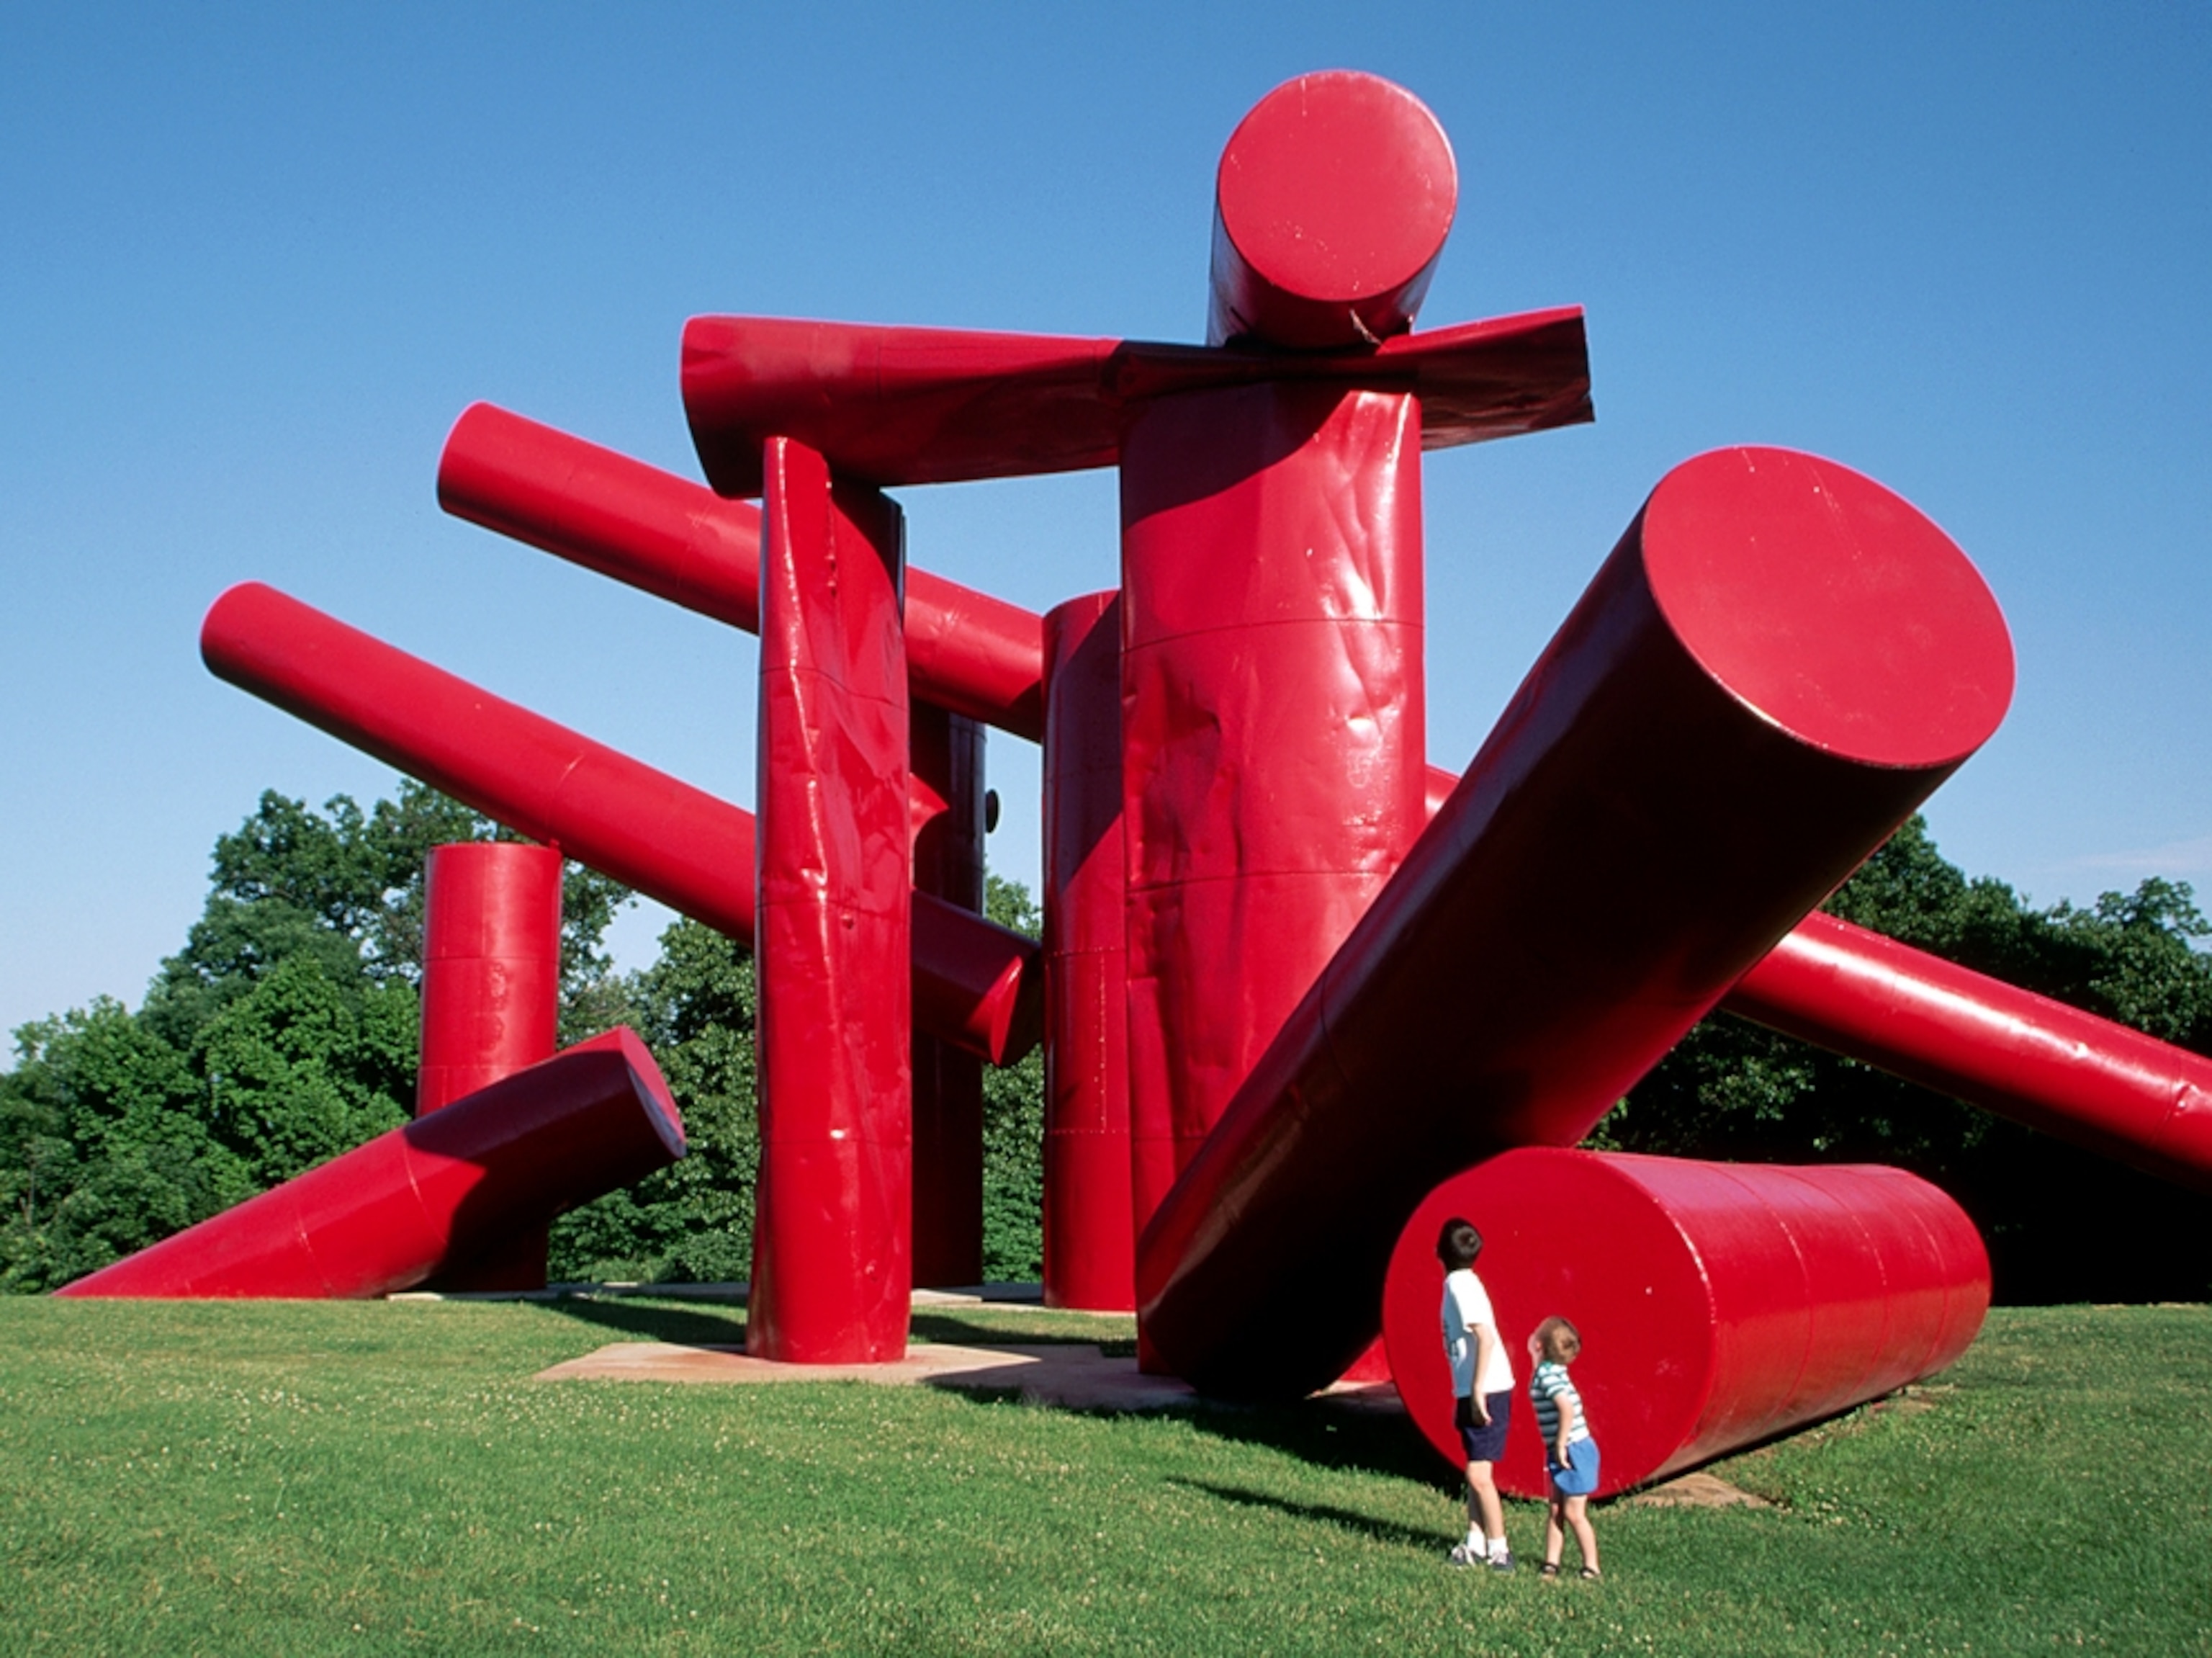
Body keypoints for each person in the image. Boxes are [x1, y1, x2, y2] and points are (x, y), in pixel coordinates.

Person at [1437, 1216, 1514, 1570]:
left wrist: (1479, 1390)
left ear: (1439, 1251)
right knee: (1474, 1468)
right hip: (1475, 1387)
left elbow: (1485, 1336)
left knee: (1479, 1476)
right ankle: (1475, 1541)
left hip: (1488, 1387)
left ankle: (1501, 1549)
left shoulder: (1460, 1286)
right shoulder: (1461, 1282)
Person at [1527, 1315, 1602, 1581]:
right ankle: (1551, 1562)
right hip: (1564, 1449)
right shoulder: (1550, 1370)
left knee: (1573, 1512)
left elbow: (1566, 1408)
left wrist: (1560, 1444)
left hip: (1573, 1449)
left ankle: (1591, 1565)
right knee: (1556, 1508)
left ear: (1540, 1345)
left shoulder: (1548, 1376)